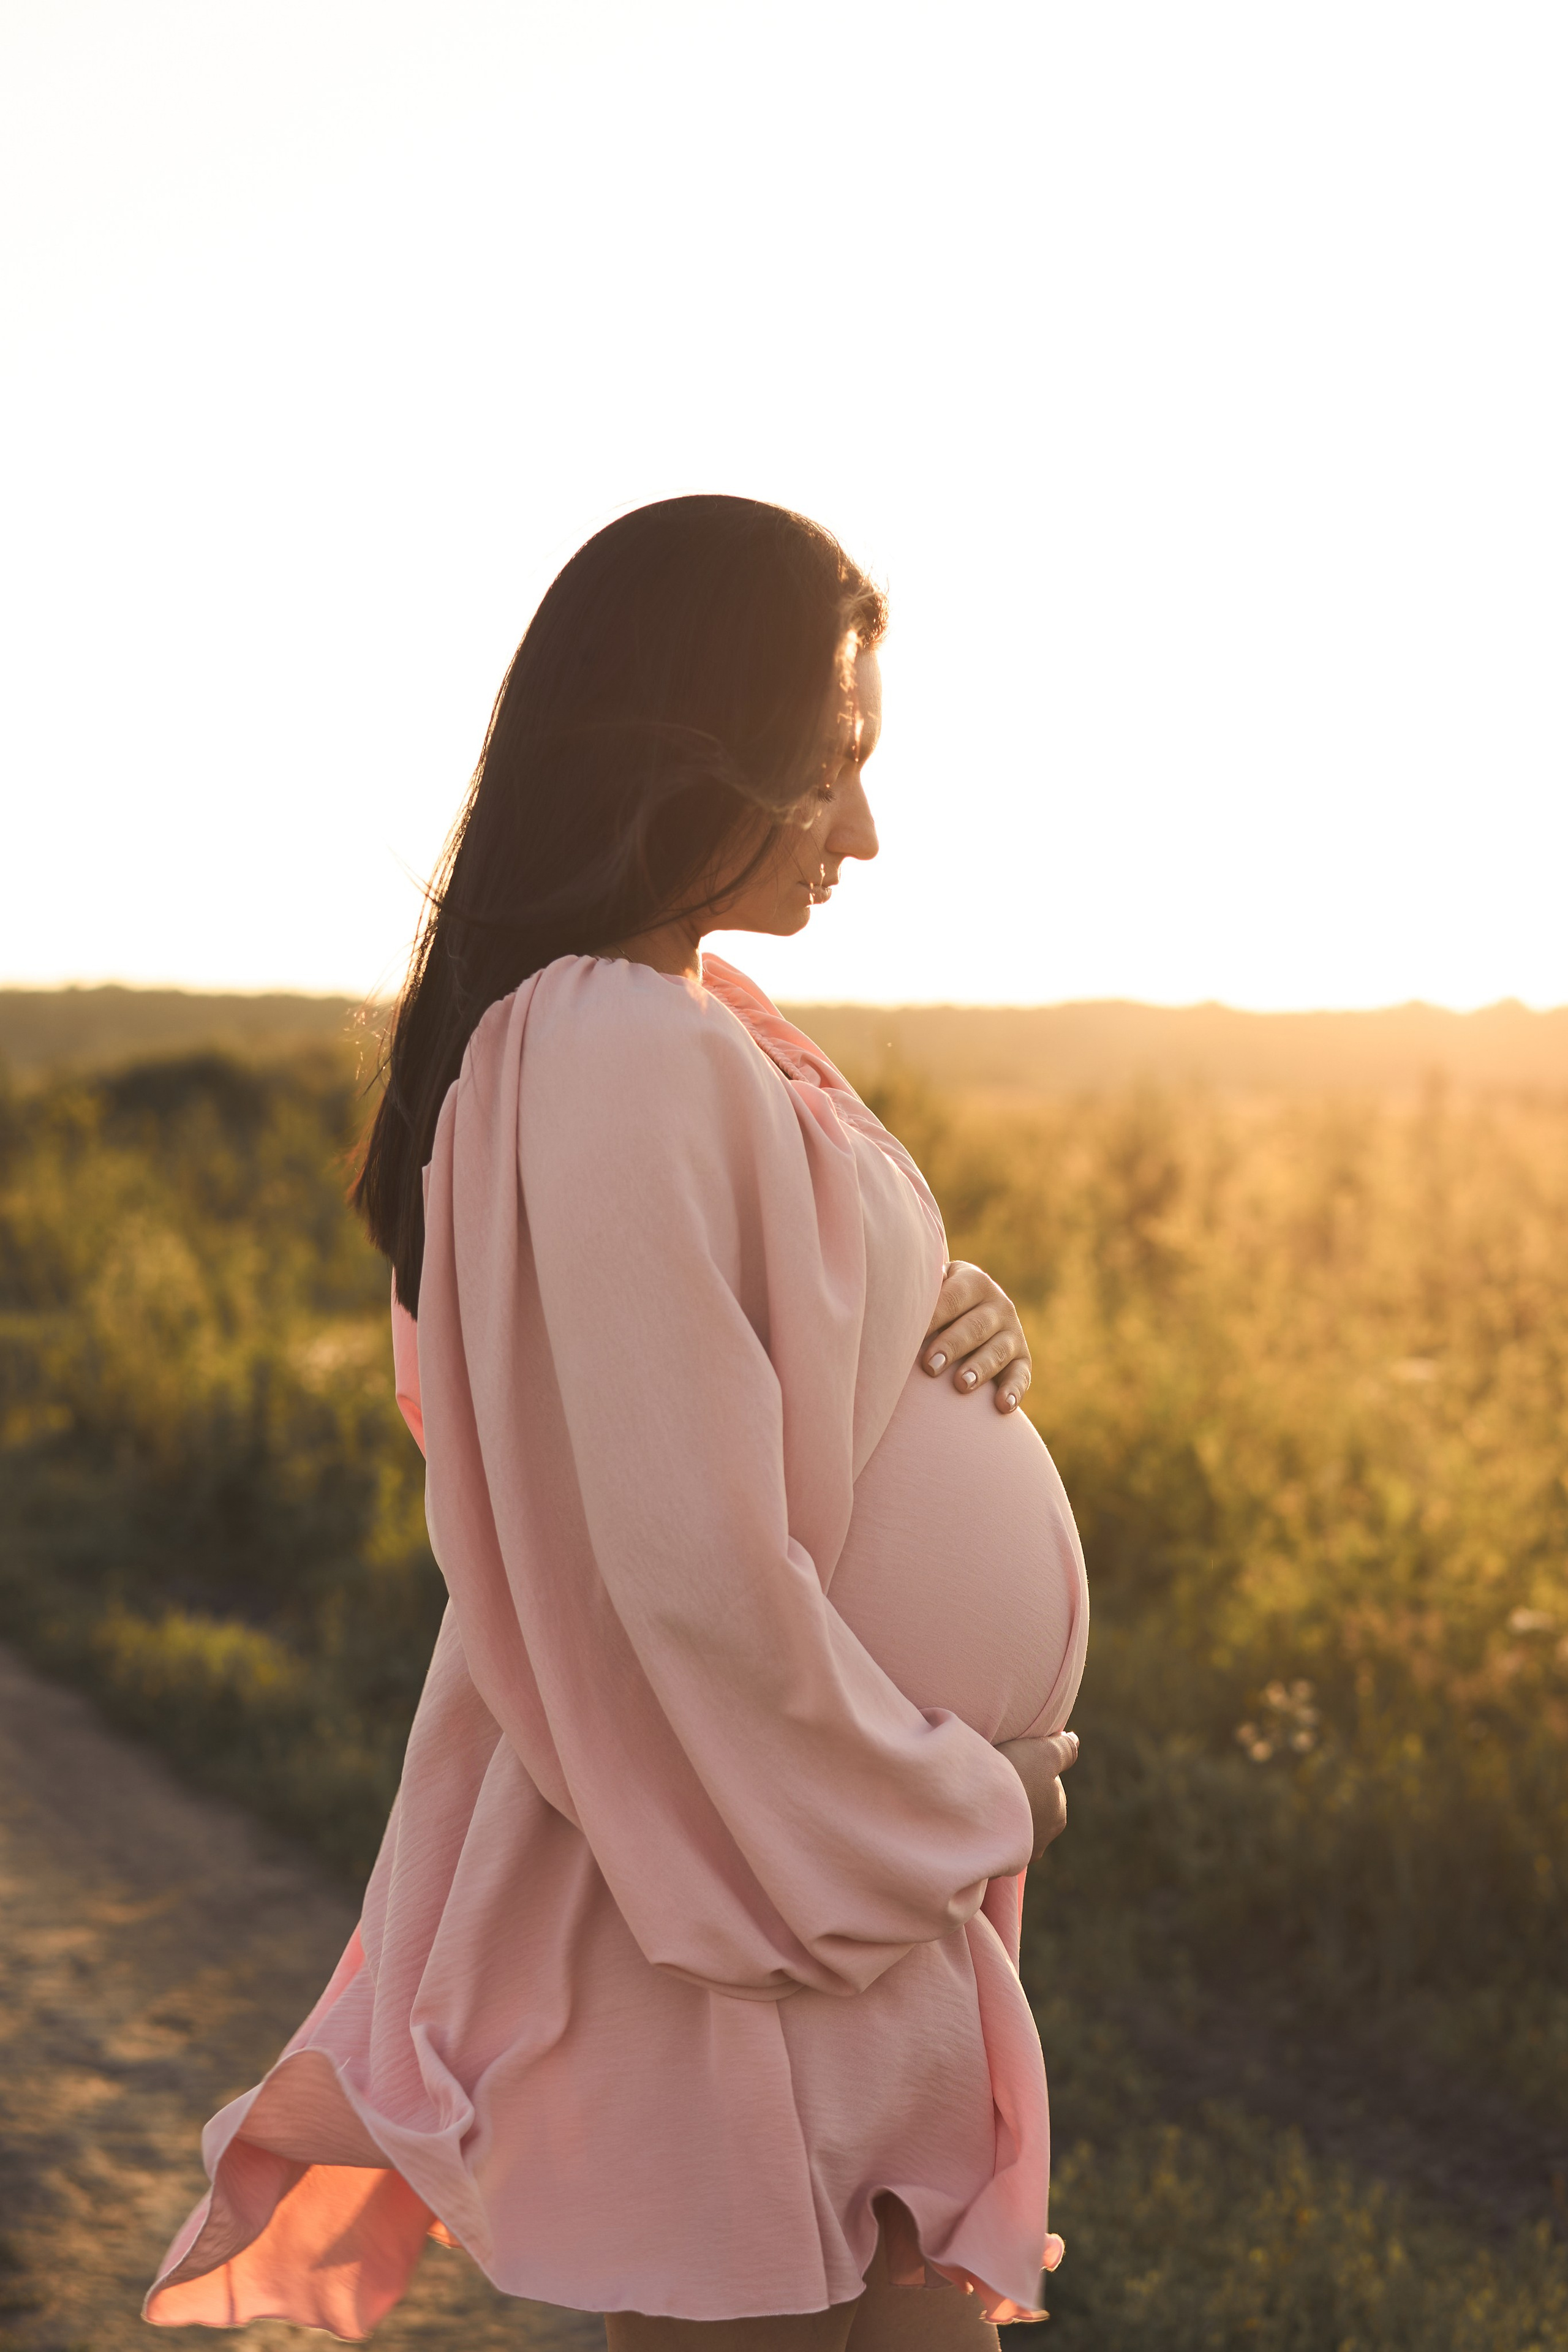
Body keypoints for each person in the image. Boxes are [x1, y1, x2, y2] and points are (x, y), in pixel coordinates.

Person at [144, 495, 1089, 2349]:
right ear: (684, 743)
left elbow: (749, 1363)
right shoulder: (602, 1038)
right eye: (828, 772)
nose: (866, 832)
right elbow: (674, 1575)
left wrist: (939, 1311)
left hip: (811, 1891)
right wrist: (954, 1801)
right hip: (752, 1884)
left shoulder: (685, 1019)